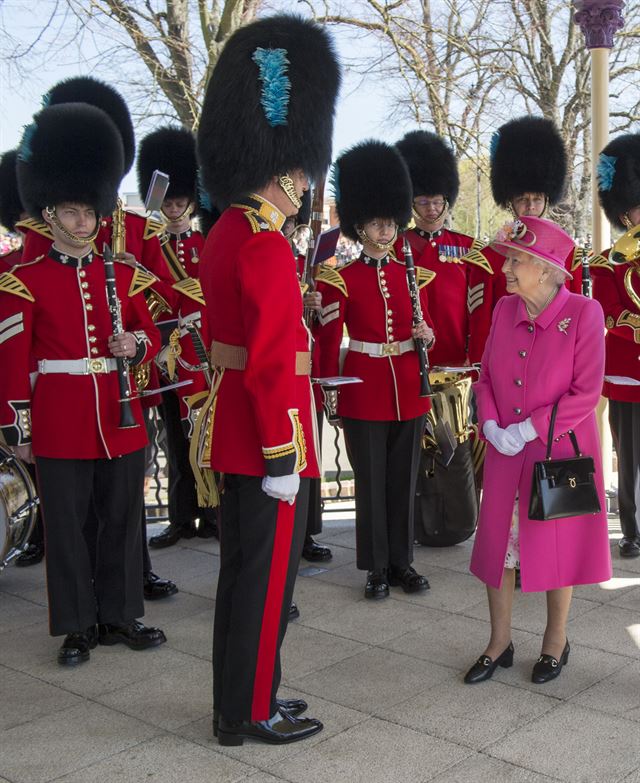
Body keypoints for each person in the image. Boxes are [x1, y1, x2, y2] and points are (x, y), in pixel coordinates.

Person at [194, 14, 340, 745]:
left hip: (236, 433)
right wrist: (288, 454)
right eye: (305, 173)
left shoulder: (227, 232)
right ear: (286, 169)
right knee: (265, 585)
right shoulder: (265, 245)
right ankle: (250, 707)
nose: (308, 185)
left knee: (241, 580)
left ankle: (239, 701)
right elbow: (277, 359)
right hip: (267, 441)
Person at [1, 102, 166, 666]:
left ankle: (120, 615)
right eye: (69, 213)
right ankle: (76, 626)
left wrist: (137, 346)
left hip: (121, 414)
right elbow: (11, 363)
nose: (81, 223)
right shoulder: (23, 281)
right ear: (49, 215)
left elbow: (153, 336)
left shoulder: (123, 271)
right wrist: (17, 429)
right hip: (60, 417)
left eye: (87, 213)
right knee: (67, 528)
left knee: (123, 520)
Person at [464, 215, 612, 685]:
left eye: (516, 259)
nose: (506, 267)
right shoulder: (504, 310)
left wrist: (528, 429)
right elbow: (485, 376)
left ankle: (555, 640)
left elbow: (586, 393)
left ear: (548, 268)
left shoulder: (585, 313)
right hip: (506, 452)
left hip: (556, 453)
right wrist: (489, 421)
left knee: (558, 547)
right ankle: (498, 641)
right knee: (499, 548)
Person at [315, 140, 434, 599]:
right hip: (363, 387)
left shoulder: (412, 274)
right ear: (359, 226)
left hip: (409, 383)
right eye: (377, 224)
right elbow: (328, 341)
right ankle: (376, 566)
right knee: (372, 484)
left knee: (402, 482)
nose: (386, 231)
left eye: (390, 223)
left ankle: (403, 561)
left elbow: (428, 325)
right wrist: (330, 390)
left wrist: (428, 336)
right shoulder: (341, 278)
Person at [136, 126, 218, 548]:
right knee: (174, 433)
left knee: (207, 430)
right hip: (168, 353)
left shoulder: (208, 241)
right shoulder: (149, 245)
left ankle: (214, 513)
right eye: (167, 200)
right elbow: (144, 290)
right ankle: (181, 516)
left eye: (179, 199)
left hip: (203, 350)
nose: (172, 206)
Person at [467, 116, 582, 365]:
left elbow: (580, 319)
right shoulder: (488, 259)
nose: (530, 207)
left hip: (556, 363)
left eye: (537, 199)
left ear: (547, 199)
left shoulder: (570, 255)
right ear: (510, 201)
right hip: (506, 363)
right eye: (522, 199)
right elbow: (481, 327)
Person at [593, 133, 640, 558]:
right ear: (624, 213)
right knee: (629, 455)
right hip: (628, 366)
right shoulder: (607, 262)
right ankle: (632, 528)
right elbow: (608, 312)